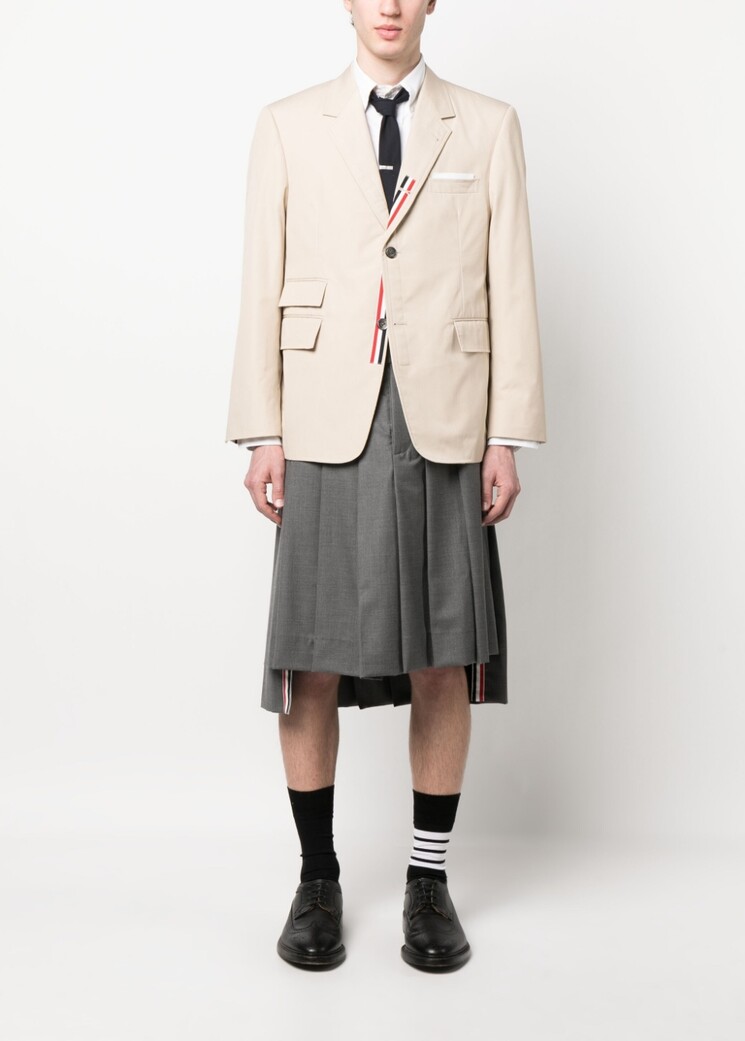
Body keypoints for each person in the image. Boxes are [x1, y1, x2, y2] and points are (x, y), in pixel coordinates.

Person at [225, 0, 545, 972]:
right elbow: (262, 278)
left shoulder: (487, 124)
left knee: (443, 654)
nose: (391, 5)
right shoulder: (288, 124)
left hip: (446, 414)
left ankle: (428, 882)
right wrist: (263, 429)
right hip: (324, 412)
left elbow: (510, 281)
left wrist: (507, 434)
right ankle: (317, 878)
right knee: (311, 657)